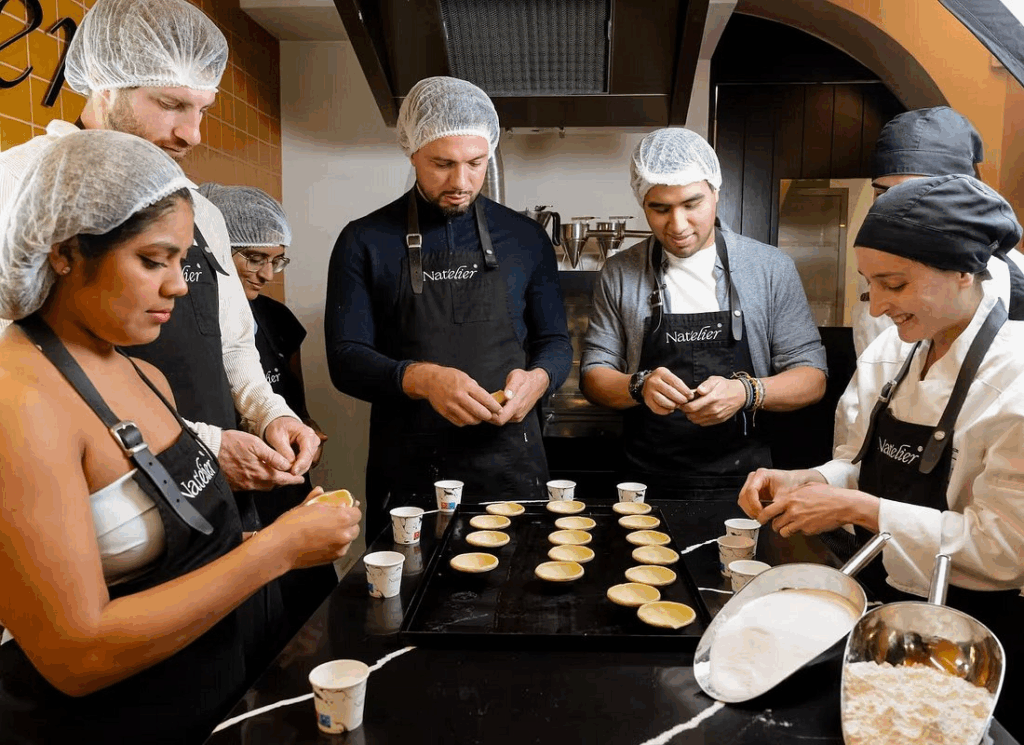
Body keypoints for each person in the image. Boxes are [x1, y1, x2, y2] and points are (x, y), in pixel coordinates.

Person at [0, 130, 362, 744]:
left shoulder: (140, 370)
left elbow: (166, 552)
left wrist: (275, 528)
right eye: (152, 260)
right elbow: (77, 653)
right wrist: (274, 550)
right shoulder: (20, 401)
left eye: (183, 259)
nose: (180, 285)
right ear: (64, 252)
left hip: (201, 700)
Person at [0, 0, 320, 520]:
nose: (192, 134)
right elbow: (13, 373)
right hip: (100, 506)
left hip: (217, 491)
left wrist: (269, 415)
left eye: (203, 111)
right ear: (105, 84)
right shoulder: (15, 185)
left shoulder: (203, 212)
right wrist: (201, 442)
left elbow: (234, 343)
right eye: (171, 104)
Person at [738, 175, 1024, 737]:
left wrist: (862, 509)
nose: (879, 304)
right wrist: (807, 479)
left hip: (975, 636)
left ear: (964, 269)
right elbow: (866, 462)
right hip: (887, 608)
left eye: (895, 283)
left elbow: (1004, 548)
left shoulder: (1014, 381)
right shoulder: (897, 349)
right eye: (871, 284)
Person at [326, 76, 572, 538]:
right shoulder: (364, 240)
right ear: (411, 151)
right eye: (442, 164)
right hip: (409, 472)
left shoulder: (526, 239)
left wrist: (538, 380)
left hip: (511, 465)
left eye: (476, 163)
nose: (461, 182)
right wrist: (421, 378)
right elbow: (344, 359)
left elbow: (555, 343)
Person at [580, 128, 827, 500]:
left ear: (715, 192)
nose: (677, 226)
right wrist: (639, 385)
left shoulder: (769, 268)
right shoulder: (619, 273)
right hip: (644, 481)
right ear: (641, 202)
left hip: (746, 481)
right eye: (659, 208)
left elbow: (812, 377)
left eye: (692, 204)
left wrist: (747, 391)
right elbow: (593, 375)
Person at [198, 182, 337, 640]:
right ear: (217, 250)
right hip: (229, 490)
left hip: (286, 484)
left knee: (312, 615)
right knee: (258, 624)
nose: (266, 273)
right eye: (253, 258)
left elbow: (293, 399)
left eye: (276, 261)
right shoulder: (183, 322)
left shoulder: (276, 319)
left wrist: (303, 429)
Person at [851, 106, 1024, 357]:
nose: (891, 210)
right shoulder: (874, 268)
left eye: (896, 285)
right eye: (882, 193)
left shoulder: (1013, 286)